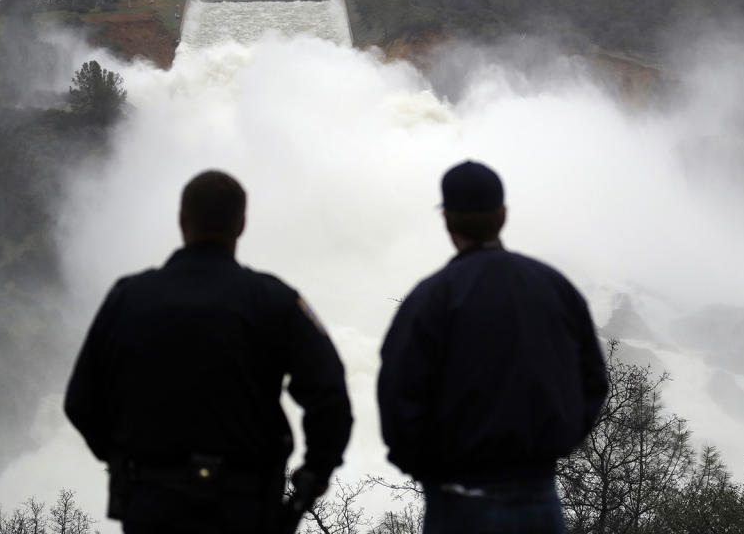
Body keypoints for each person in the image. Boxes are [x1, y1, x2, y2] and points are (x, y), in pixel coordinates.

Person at [65, 170, 353, 534]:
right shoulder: (274, 300)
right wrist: (314, 475)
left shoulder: (128, 297)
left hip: (152, 503)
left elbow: (80, 401)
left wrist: (123, 458)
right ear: (242, 225)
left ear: (181, 220)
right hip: (243, 505)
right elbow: (329, 395)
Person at [378, 160, 609, 534]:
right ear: (502, 215)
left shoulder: (431, 298)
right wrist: (559, 443)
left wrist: (428, 470)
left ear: (448, 221)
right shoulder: (554, 287)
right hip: (540, 498)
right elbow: (594, 381)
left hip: (458, 502)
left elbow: (397, 396)